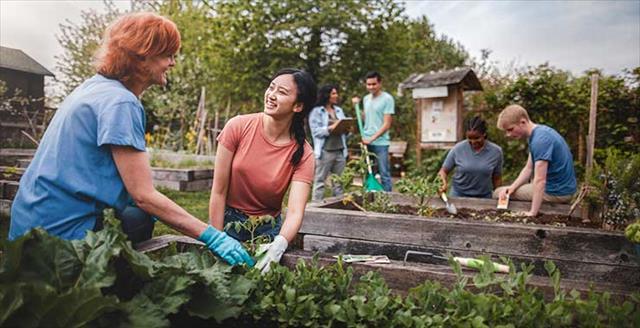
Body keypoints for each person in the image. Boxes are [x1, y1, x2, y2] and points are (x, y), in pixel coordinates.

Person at [9, 12, 253, 267]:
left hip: (29, 225)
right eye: (167, 55)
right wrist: (213, 236)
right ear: (142, 55)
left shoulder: (93, 88)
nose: (172, 63)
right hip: (60, 240)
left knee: (137, 214)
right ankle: (105, 287)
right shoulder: (121, 103)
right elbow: (143, 195)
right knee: (141, 217)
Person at [209, 68, 316, 273]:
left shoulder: (304, 154)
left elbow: (294, 211)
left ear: (298, 106)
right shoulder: (238, 126)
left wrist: (279, 245)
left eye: (282, 92)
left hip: (267, 230)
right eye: (271, 87)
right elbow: (218, 190)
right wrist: (216, 237)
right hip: (228, 221)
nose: (271, 95)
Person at [493, 104, 577, 216]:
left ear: (522, 122)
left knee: (497, 193)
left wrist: (533, 212)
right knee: (506, 191)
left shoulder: (540, 141)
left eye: (510, 129)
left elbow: (540, 180)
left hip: (557, 192)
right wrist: (512, 188)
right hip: (559, 188)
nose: (508, 134)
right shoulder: (539, 134)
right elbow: (528, 168)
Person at [351, 71, 395, 192]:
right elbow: (366, 118)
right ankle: (369, 200)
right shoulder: (366, 99)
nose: (371, 87)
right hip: (366, 141)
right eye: (368, 84)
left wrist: (372, 138)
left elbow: (387, 124)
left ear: (380, 83)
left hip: (381, 143)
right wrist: (357, 107)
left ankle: (389, 202)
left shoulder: (387, 99)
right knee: (367, 172)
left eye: (374, 84)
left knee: (384, 173)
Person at [438, 116, 503, 198]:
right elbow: (443, 171)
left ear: (484, 134)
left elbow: (497, 178)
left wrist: (499, 196)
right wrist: (442, 182)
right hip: (458, 195)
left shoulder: (496, 152)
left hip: (484, 197)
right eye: (469, 138)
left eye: (477, 138)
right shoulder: (458, 149)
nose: (473, 142)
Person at [309, 84, 349, 201]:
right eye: (333, 93)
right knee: (320, 181)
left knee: (339, 182)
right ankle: (316, 208)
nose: (336, 96)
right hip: (325, 152)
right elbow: (315, 132)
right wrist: (331, 128)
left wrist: (348, 129)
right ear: (326, 95)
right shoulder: (317, 111)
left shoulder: (339, 110)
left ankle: (339, 207)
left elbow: (343, 130)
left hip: (340, 151)